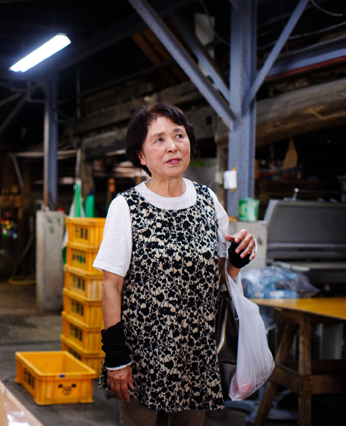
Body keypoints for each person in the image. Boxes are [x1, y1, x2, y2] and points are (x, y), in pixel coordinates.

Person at [93, 103, 256, 426]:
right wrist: (116, 358)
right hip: (142, 355)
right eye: (158, 139)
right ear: (141, 156)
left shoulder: (208, 201)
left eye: (179, 136)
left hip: (196, 353)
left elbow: (221, 278)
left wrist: (236, 260)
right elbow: (111, 285)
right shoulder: (126, 206)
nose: (172, 146)